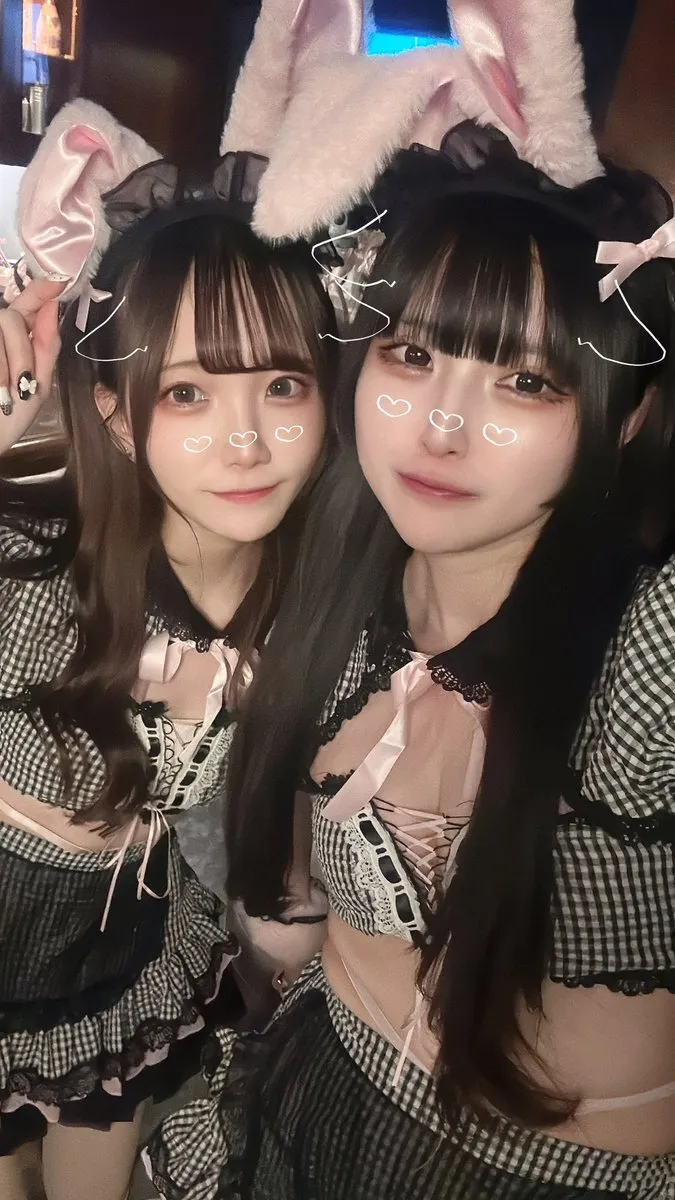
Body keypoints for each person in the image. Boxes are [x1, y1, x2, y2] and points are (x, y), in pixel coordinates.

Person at [144, 1, 675, 1197]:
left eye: (526, 380)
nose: (442, 425)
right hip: (311, 1101)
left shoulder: (640, 663)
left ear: (627, 413)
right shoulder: (332, 601)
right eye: (413, 355)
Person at [0, 91, 337, 1200]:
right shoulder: (31, 567)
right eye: (187, 392)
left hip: (128, 940)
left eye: (282, 385)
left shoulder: (317, 608)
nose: (245, 441)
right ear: (113, 411)